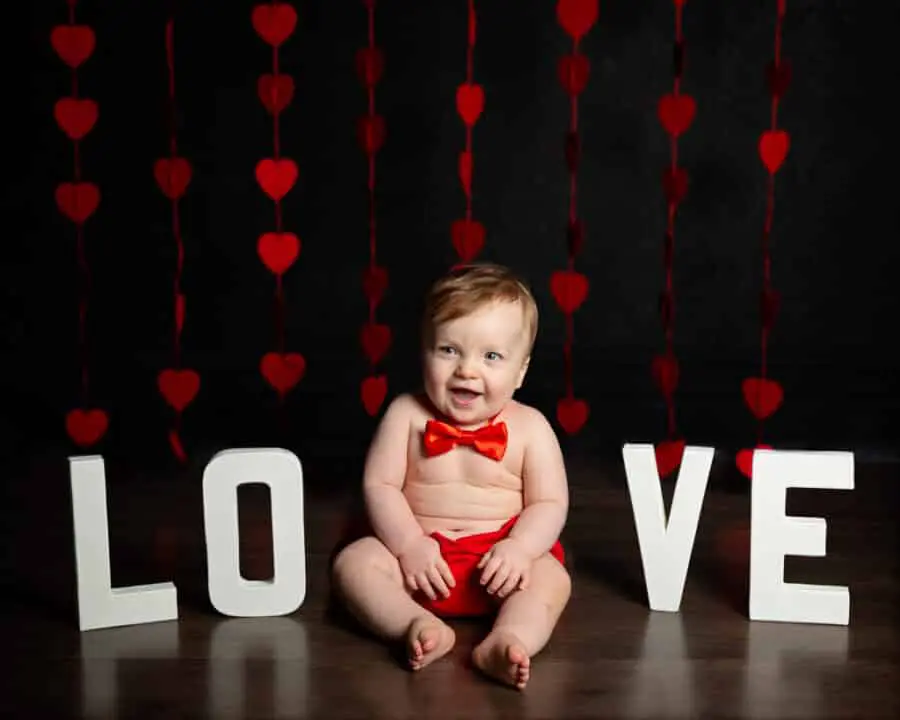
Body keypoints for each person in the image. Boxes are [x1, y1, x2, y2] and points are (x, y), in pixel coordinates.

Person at [331, 262, 571, 690]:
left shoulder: (532, 427)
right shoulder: (405, 414)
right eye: (449, 350)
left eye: (491, 356)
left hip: (500, 564)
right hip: (418, 561)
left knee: (552, 580)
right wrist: (408, 545)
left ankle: (508, 639)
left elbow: (549, 503)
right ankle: (415, 624)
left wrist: (520, 548)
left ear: (521, 371)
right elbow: (379, 486)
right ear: (424, 351)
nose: (467, 370)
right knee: (354, 564)